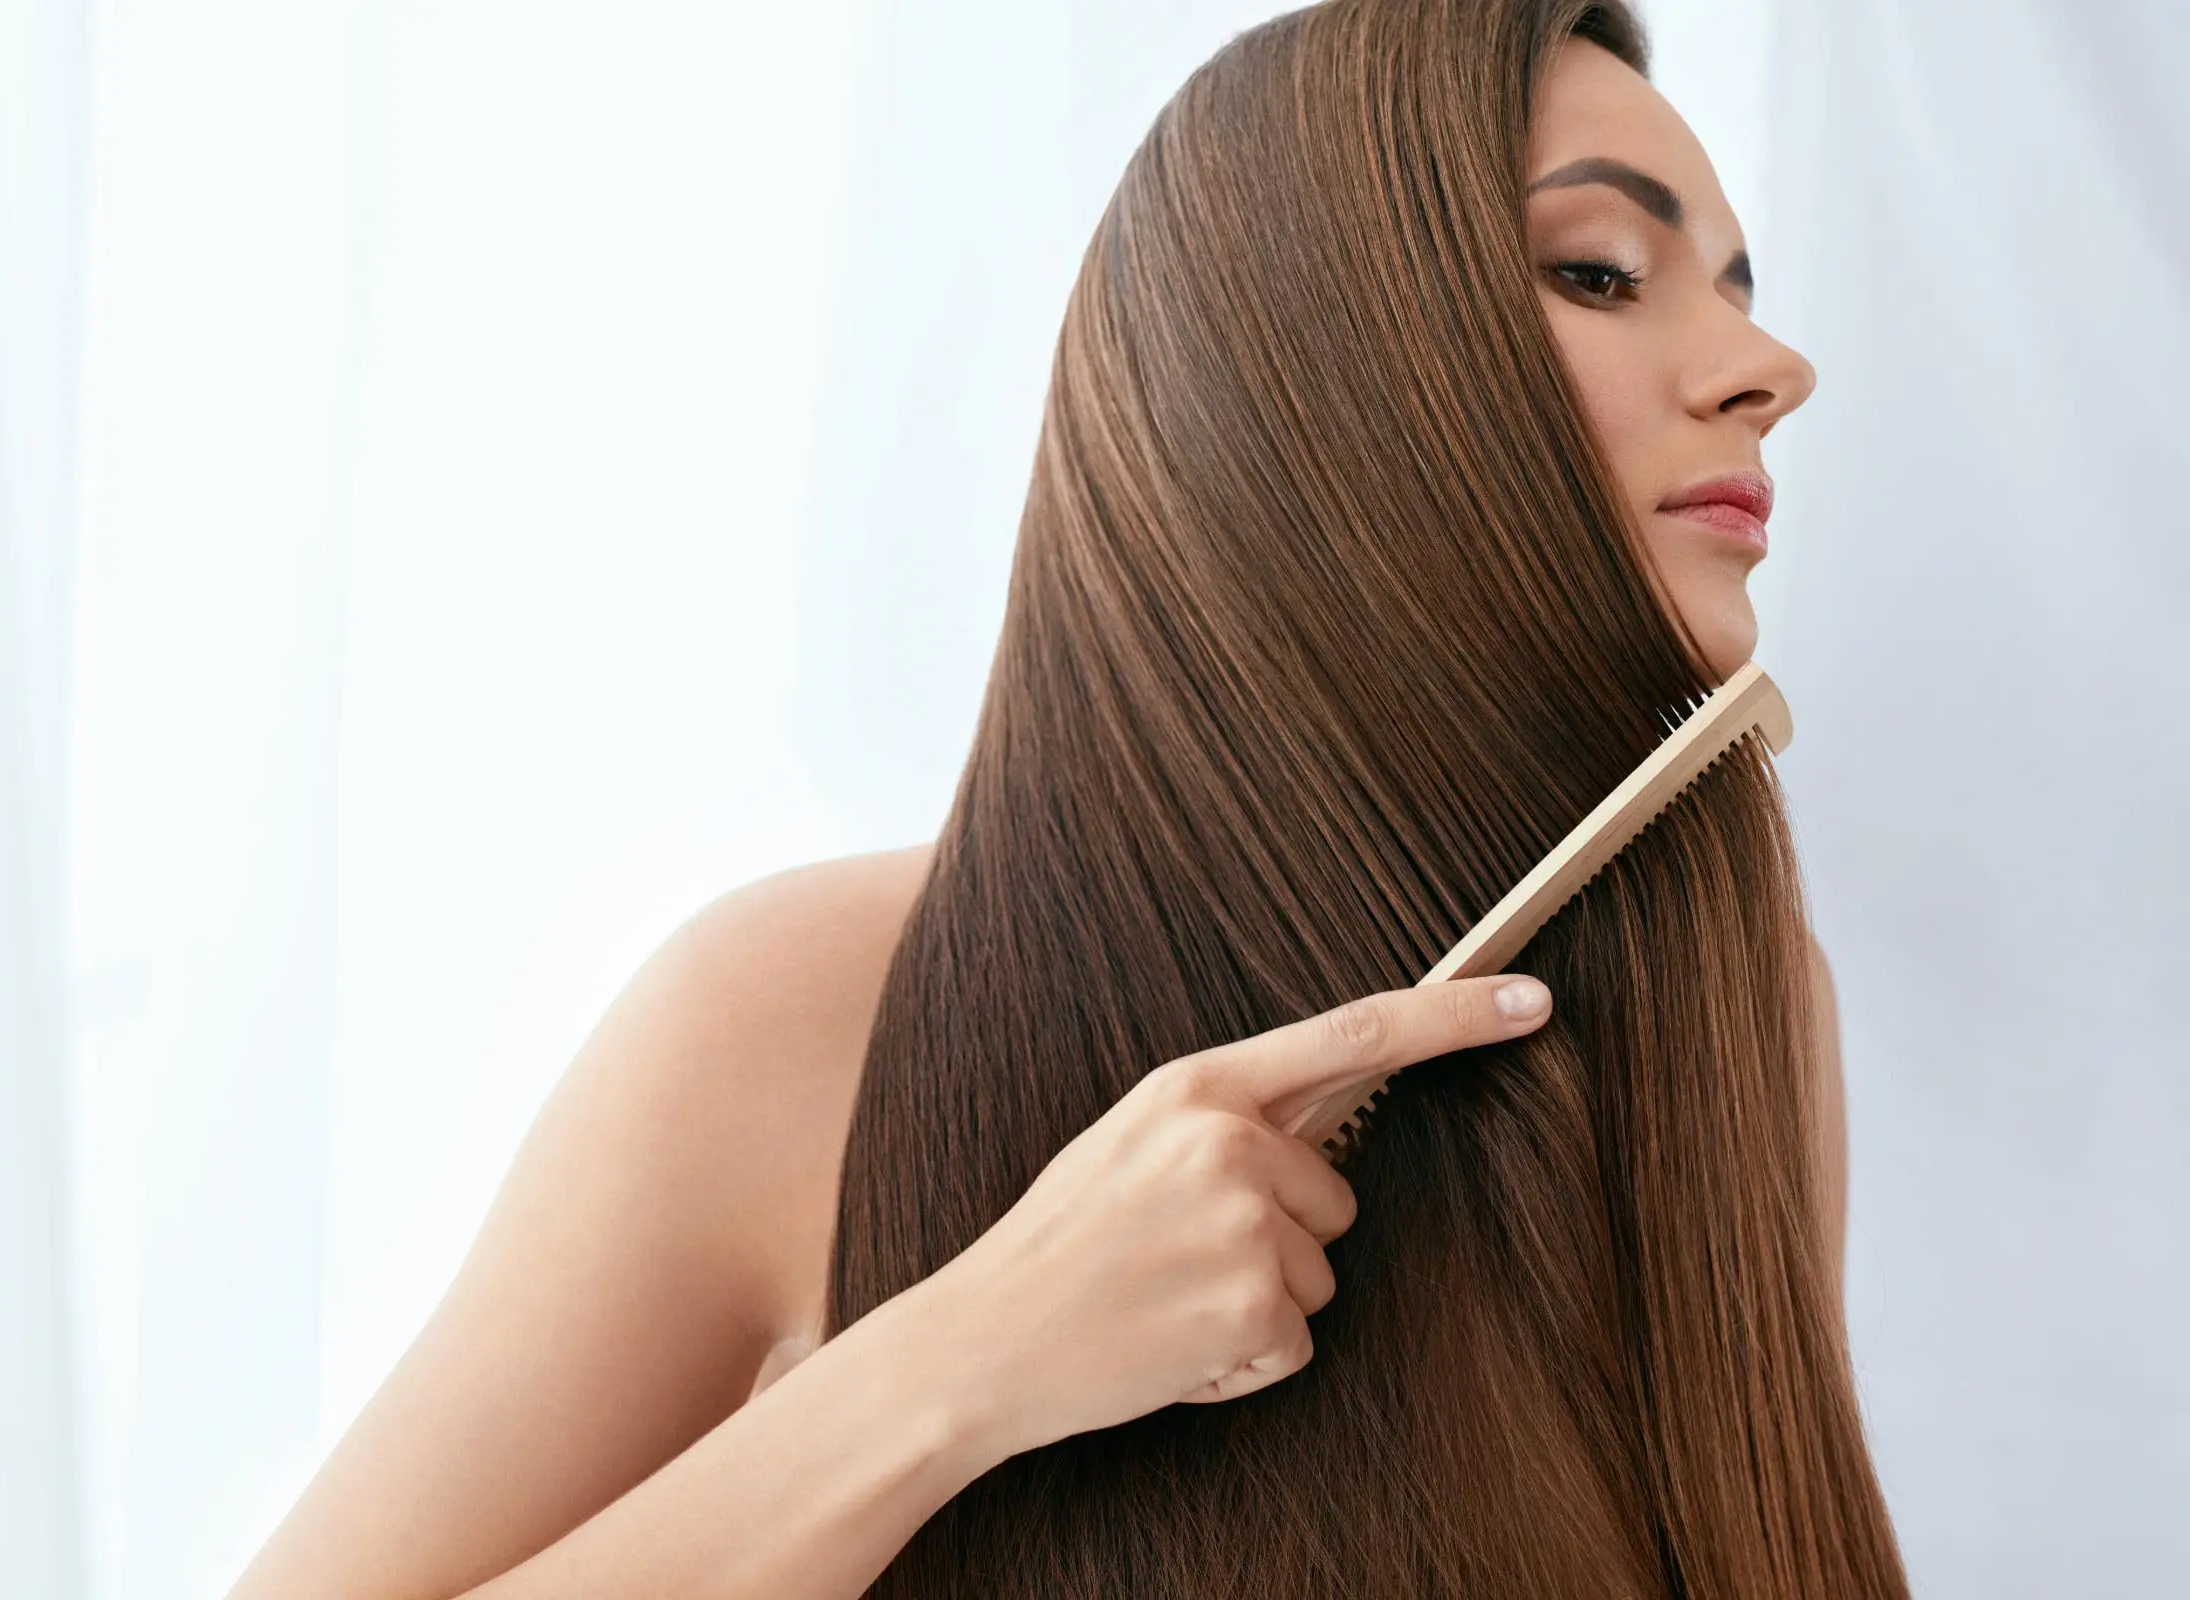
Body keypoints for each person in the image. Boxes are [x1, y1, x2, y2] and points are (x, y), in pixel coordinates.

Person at [230, 3, 1899, 1596]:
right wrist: (966, 1363)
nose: (1770, 364)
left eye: (1738, 288)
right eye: (1604, 270)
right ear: (1324, 364)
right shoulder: (797, 1014)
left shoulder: (1743, 1013)